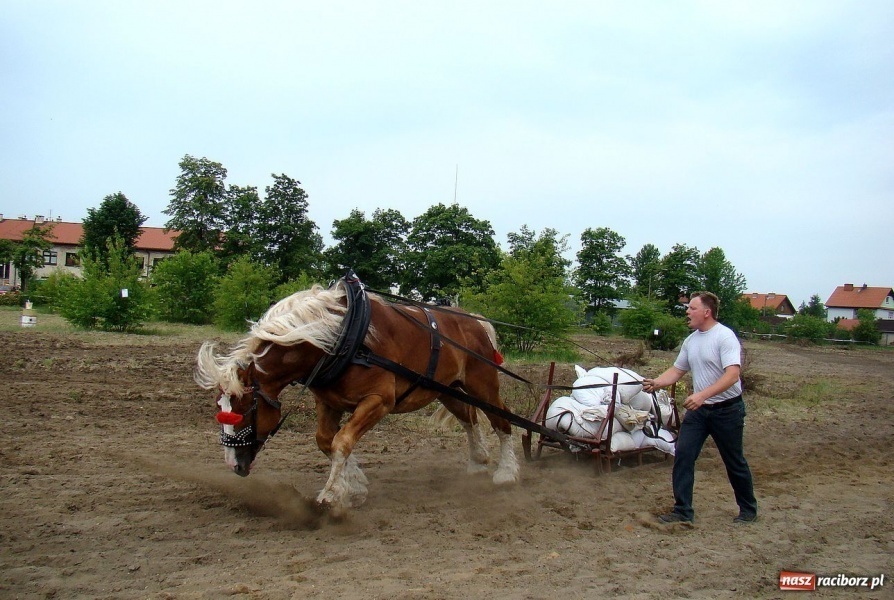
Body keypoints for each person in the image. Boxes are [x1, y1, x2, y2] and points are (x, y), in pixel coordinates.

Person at [642, 291, 758, 524]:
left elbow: (733, 376)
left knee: (734, 460)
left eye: (692, 308)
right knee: (683, 455)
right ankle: (683, 511)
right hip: (699, 412)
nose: (687, 312)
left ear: (707, 312)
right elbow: (677, 370)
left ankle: (748, 510)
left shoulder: (725, 337)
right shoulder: (691, 340)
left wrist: (702, 395)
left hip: (727, 410)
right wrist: (657, 382)